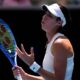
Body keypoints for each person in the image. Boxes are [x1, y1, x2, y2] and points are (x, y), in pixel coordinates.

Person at [12, 3, 74, 80]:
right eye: (45, 13)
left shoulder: (60, 44)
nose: (44, 17)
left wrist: (32, 64)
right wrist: (25, 76)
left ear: (59, 22)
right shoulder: (52, 42)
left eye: (50, 16)